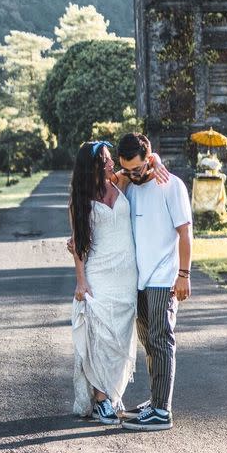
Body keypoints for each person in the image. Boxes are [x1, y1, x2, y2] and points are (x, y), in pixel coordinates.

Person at [68, 140, 168, 425]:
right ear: (93, 167)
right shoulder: (81, 200)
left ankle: (112, 394)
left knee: (122, 339)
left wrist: (158, 161)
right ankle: (101, 400)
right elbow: (78, 245)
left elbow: (148, 159)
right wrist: (81, 282)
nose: (113, 164)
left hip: (127, 276)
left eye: (112, 159)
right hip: (100, 275)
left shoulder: (119, 182)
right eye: (107, 160)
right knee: (102, 337)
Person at [114, 132, 193, 432]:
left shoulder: (171, 185)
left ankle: (163, 410)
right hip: (139, 280)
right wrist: (129, 175)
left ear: (149, 158)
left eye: (138, 168)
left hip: (163, 277)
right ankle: (156, 399)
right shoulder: (131, 187)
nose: (133, 174)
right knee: (149, 342)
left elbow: (185, 232)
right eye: (127, 170)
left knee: (162, 339)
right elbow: (112, 182)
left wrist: (183, 275)